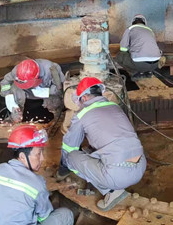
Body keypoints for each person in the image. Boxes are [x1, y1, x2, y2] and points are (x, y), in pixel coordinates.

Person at [58, 77, 146, 211]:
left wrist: (63, 169)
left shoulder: (82, 114)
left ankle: (112, 191)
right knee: (93, 150)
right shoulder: (115, 106)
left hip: (117, 176)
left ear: (84, 98)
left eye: (79, 101)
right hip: (140, 167)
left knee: (71, 156)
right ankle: (111, 180)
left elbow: (70, 146)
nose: (79, 105)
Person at [0, 58, 65, 123]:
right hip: (29, 92)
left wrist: (46, 92)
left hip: (46, 92)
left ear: (37, 75)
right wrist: (8, 97)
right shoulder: (17, 71)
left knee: (54, 99)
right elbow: (5, 83)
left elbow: (60, 89)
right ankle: (15, 116)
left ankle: (58, 116)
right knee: (14, 88)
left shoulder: (52, 68)